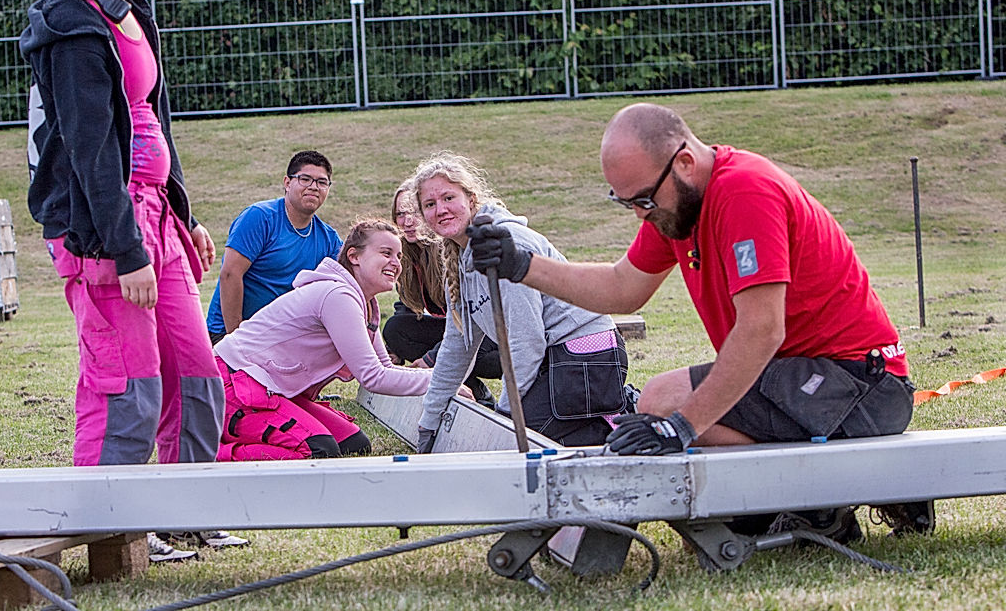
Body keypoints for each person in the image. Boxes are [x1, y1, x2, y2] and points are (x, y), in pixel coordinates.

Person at [467, 102, 929, 541]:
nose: (639, 213)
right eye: (626, 202)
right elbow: (622, 287)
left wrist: (681, 428)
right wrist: (522, 265)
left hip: (862, 385)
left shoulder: (745, 192)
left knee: (665, 404)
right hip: (812, 376)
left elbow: (761, 329)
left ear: (684, 162)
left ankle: (820, 507)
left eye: (644, 199)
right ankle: (817, 505)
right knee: (660, 401)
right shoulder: (678, 208)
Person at [21, 0, 239, 561]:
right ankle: (113, 537)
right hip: (107, 236)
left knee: (196, 372)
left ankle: (185, 514)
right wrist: (128, 253)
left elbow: (150, 122)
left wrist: (183, 210)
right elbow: (89, 157)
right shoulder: (70, 30)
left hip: (157, 222)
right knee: (129, 388)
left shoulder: (132, 9)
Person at [411, 152, 630, 452]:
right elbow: (456, 347)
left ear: (471, 198)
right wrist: (429, 421)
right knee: (513, 437)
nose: (441, 210)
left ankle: (624, 413)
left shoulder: (503, 245)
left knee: (515, 442)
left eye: (449, 198)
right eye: (430, 204)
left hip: (586, 357)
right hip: (549, 361)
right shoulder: (459, 261)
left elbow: (526, 341)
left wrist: (504, 415)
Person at [214, 220, 444, 460]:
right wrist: (441, 383)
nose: (396, 263)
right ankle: (209, 455)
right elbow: (372, 377)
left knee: (355, 445)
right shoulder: (337, 296)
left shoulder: (363, 304)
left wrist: (439, 380)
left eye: (399, 256)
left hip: (268, 388)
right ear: (354, 256)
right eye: (386, 253)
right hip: (232, 386)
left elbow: (385, 368)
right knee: (318, 450)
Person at [383, 180, 501, 407]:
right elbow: (406, 305)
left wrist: (431, 359)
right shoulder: (404, 252)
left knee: (470, 354)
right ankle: (474, 391)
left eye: (414, 213)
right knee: (396, 328)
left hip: (485, 333)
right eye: (399, 214)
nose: (407, 222)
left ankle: (494, 382)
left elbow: (470, 321)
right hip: (454, 331)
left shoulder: (448, 248)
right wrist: (394, 349)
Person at [206, 151, 344, 343]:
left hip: (280, 340)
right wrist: (236, 339)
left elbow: (348, 282)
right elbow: (230, 274)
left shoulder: (329, 238)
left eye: (321, 182)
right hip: (231, 334)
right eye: (305, 179)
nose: (314, 187)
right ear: (287, 183)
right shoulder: (260, 217)